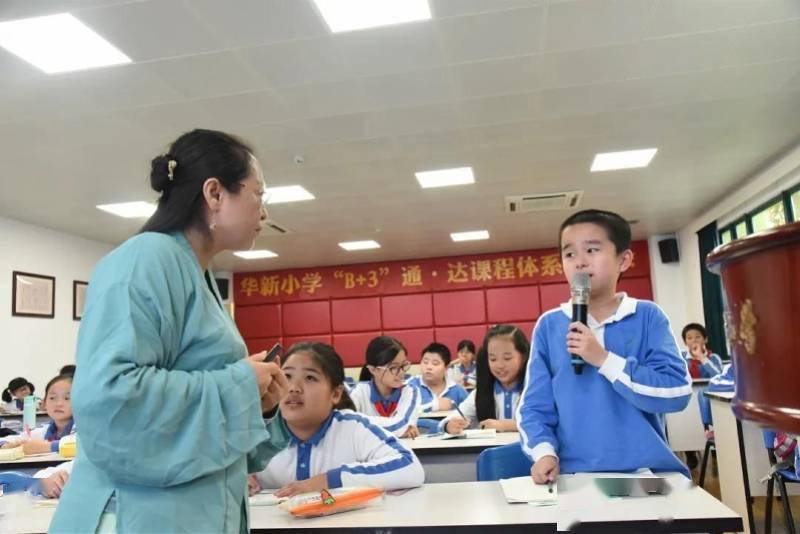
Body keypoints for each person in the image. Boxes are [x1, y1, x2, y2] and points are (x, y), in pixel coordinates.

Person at [50, 129, 290, 533]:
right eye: (258, 194)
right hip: (134, 516)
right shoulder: (145, 259)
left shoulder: (198, 272)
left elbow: (206, 433)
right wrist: (238, 384)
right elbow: (110, 400)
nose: (264, 213)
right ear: (215, 194)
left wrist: (258, 402)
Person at [517, 209, 692, 485]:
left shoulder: (647, 316)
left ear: (624, 260)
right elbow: (534, 406)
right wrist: (543, 453)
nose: (580, 263)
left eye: (592, 250)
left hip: (646, 472)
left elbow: (676, 392)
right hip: (573, 475)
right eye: (569, 254)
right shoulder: (550, 325)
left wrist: (604, 359)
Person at [251, 342, 424, 496]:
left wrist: (329, 480)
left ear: (335, 394)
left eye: (310, 378)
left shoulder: (351, 427)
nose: (293, 388)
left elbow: (410, 466)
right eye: (287, 376)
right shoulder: (259, 430)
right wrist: (239, 478)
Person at [441, 325, 529, 434]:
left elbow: (548, 424)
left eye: (507, 358)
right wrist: (449, 425)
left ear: (524, 356)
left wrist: (507, 425)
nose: (499, 365)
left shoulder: (535, 391)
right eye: (493, 359)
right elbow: (447, 421)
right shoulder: (481, 393)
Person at [350, 336, 420, 438]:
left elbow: (402, 424)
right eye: (393, 367)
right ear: (373, 370)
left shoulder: (410, 391)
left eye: (403, 365)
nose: (401, 372)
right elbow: (348, 424)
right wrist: (399, 430)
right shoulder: (359, 392)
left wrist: (360, 422)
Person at [1, 374, 75, 454]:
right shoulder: (45, 431)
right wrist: (6, 443)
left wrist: (48, 446)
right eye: (52, 398)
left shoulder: (84, 430)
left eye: (67, 398)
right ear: (45, 403)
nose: (59, 404)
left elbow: (79, 444)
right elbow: (19, 437)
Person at [406, 342, 469, 433]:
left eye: (435, 364)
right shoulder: (409, 387)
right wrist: (435, 404)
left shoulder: (458, 390)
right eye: (425, 362)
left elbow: (471, 417)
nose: (428, 367)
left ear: (446, 367)